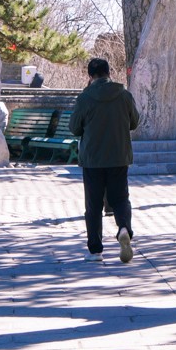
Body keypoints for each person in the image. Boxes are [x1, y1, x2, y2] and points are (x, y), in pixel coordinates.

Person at [70, 56, 140, 262]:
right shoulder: (124, 95)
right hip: (119, 156)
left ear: (90, 76)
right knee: (120, 199)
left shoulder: (85, 98)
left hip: (93, 159)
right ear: (110, 73)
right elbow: (134, 122)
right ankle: (124, 228)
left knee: (93, 204)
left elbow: (74, 128)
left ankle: (95, 250)